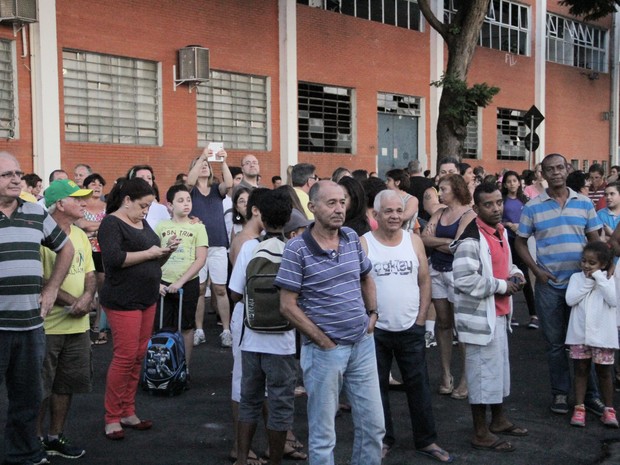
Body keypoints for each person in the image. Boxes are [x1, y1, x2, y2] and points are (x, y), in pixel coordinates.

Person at [276, 180, 385, 465]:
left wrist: (372, 315)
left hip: (362, 344)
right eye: (331, 203)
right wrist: (323, 340)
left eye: (342, 202)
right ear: (312, 208)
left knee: (374, 427)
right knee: (324, 436)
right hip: (325, 352)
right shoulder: (296, 249)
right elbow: (287, 305)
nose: (339, 209)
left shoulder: (350, 237)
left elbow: (366, 276)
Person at [361, 190, 453, 463]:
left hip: (410, 326)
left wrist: (422, 317)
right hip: (376, 330)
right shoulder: (364, 243)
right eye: (388, 211)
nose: (394, 216)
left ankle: (426, 440)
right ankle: (382, 439)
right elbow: (358, 283)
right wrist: (369, 317)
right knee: (376, 389)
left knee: (419, 386)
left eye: (398, 211)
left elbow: (425, 280)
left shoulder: (414, 241)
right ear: (376, 215)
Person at [515, 153, 604, 416]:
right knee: (554, 344)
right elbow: (520, 241)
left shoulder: (585, 203)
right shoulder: (532, 207)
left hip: (581, 286)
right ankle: (561, 394)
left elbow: (595, 241)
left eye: (559, 167)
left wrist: (594, 272)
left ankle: (591, 396)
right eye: (549, 169)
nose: (555, 173)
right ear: (542, 173)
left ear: (567, 169)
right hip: (549, 286)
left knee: (584, 342)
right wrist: (536, 271)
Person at [0, 151, 74, 465]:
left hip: (30, 325)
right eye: (7, 175)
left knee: (27, 398)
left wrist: (52, 288)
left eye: (18, 173)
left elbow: (66, 248)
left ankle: (23, 453)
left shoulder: (35, 213)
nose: (16, 179)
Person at [230, 189, 307, 465]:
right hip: (283, 342)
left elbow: (235, 293)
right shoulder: (296, 250)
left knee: (249, 400)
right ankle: (275, 460)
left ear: (260, 215)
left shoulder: (250, 248)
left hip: (251, 340)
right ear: (288, 218)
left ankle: (242, 458)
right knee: (280, 404)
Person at [98, 177, 180, 439]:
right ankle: (112, 416)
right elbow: (114, 259)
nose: (146, 211)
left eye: (148, 206)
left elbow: (153, 256)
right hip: (123, 299)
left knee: (138, 356)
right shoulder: (111, 223)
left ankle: (127, 410)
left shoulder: (141, 223)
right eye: (143, 205)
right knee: (124, 357)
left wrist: (166, 251)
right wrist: (152, 254)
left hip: (146, 298)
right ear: (127, 201)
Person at [451, 182, 528, 453]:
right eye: (488, 204)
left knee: (496, 372)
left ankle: (498, 420)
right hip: (479, 319)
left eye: (498, 203)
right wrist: (502, 285)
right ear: (476, 208)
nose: (496, 208)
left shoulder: (500, 232)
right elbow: (463, 279)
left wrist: (515, 273)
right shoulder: (471, 240)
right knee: (481, 375)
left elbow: (505, 266)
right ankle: (480, 432)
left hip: (498, 315)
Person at [37, 179, 95, 460]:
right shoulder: (38, 235)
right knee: (40, 387)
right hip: (47, 327)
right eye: (77, 198)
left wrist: (88, 297)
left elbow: (90, 273)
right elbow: (40, 280)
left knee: (65, 386)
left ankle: (54, 437)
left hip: (78, 326)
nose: (84, 203)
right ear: (60, 204)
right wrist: (74, 301)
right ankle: (33, 441)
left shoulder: (80, 234)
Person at [421, 173, 476, 400]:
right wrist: (446, 243)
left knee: (461, 327)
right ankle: (446, 374)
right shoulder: (439, 212)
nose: (439, 193)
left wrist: (439, 243)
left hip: (457, 274)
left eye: (443, 189)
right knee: (443, 323)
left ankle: (466, 377)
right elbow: (424, 238)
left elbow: (460, 246)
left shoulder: (468, 214)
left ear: (456, 189)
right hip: (437, 271)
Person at [155, 184, 208, 375]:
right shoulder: (161, 226)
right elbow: (154, 256)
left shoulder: (198, 227)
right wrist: (158, 283)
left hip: (187, 283)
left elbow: (200, 258)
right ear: (169, 205)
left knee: (186, 326)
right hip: (163, 282)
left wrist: (180, 282)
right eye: (180, 200)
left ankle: (184, 368)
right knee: (162, 327)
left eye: (188, 200)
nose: (186, 204)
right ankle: (161, 367)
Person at [565, 242, 618, 428]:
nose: (587, 266)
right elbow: (570, 299)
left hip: (603, 336)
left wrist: (599, 278)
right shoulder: (577, 278)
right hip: (579, 335)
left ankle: (609, 410)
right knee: (580, 370)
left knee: (604, 371)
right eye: (584, 261)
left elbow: (612, 299)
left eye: (592, 263)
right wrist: (588, 281)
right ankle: (579, 408)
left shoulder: (609, 278)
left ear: (603, 264)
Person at [187, 146, 234, 348]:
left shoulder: (217, 190)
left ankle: (226, 330)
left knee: (220, 288)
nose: (205, 167)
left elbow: (229, 184)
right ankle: (198, 330)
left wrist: (222, 161)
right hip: (197, 246)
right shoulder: (191, 191)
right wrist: (202, 157)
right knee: (198, 289)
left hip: (217, 245)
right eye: (201, 165)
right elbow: (189, 181)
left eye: (207, 165)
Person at [501, 171, 537, 329]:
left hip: (522, 240)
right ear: (504, 184)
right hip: (507, 240)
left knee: (526, 277)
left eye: (514, 180)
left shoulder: (525, 200)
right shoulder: (502, 201)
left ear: (519, 182)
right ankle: (510, 312)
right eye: (509, 181)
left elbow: (531, 219)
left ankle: (533, 315)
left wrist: (520, 227)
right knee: (507, 274)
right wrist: (509, 225)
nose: (512, 184)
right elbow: (498, 220)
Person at [126, 165, 170, 230]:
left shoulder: (161, 209)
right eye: (142, 178)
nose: (146, 181)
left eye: (149, 178)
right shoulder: (125, 207)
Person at [385, 168, 419, 233]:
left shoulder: (411, 200)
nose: (386, 183)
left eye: (389, 180)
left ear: (397, 182)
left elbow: (405, 216)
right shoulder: (387, 198)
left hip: (406, 237)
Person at [405, 160, 434, 224]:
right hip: (426, 216)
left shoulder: (405, 184)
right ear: (421, 169)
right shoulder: (429, 182)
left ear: (408, 171)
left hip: (409, 217)